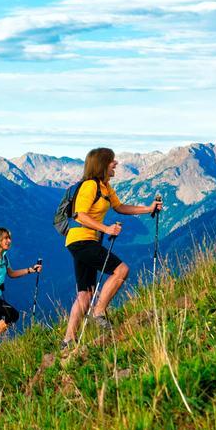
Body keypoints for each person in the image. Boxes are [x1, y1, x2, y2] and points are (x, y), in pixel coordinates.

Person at [61, 147, 162, 348]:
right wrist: (106, 228)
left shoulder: (105, 187)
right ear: (102, 164)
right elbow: (79, 215)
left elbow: (120, 207)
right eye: (112, 161)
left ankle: (68, 340)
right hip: (82, 240)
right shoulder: (90, 186)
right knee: (121, 270)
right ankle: (99, 312)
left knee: (85, 293)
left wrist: (148, 209)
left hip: (82, 241)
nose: (116, 163)